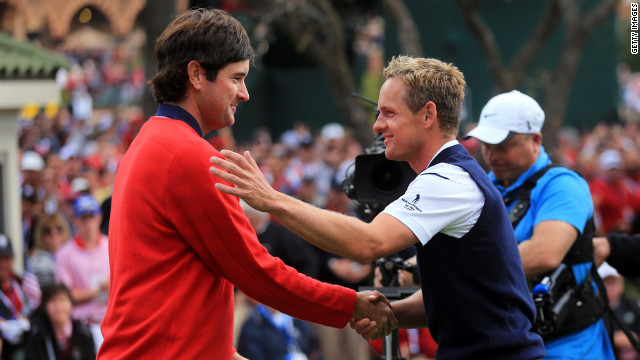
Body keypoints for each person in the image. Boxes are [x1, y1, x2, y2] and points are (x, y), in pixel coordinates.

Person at [97, 9, 395, 360]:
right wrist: (350, 304)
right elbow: (257, 272)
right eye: (236, 78)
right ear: (196, 74)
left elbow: (176, 290)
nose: (245, 94)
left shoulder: (151, 140)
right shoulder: (187, 155)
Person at [210, 55, 545, 359]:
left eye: (389, 113)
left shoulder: (449, 181)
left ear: (427, 114)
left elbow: (368, 244)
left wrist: (271, 199)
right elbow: (451, 298)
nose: (377, 126)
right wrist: (389, 313)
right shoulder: (451, 176)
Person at [464, 90, 615, 359]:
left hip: (568, 346)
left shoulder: (562, 184)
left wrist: (461, 270)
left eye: (503, 145)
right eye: (486, 144)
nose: (491, 154)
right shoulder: (483, 188)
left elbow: (544, 253)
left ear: (536, 140)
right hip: (505, 342)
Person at [25, 283, 96, 360]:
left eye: (62, 300)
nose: (58, 306)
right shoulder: (37, 335)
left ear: (71, 304)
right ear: (45, 307)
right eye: (53, 301)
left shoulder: (84, 333)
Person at [0, 233, 41, 360]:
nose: (2, 263)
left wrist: (27, 320)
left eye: (6, 258)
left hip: (26, 344)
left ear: (12, 259)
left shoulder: (26, 283)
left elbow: (38, 309)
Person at [598, 262, 640, 360]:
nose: (609, 287)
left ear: (621, 283)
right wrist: (614, 338)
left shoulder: (631, 305)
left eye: (613, 281)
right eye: (605, 281)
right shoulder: (590, 308)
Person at [29, 211, 71, 288]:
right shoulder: (38, 261)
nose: (54, 234)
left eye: (59, 229)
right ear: (42, 235)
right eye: (48, 231)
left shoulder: (72, 254)